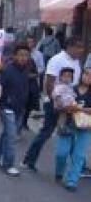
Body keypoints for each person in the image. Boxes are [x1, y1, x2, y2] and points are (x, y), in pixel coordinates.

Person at [23, 37, 83, 172]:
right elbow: (49, 82)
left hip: (70, 103)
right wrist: (55, 101)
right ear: (69, 46)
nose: (81, 50)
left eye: (82, 47)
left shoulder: (76, 61)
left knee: (73, 133)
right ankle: (29, 159)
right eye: (78, 47)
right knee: (46, 132)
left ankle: (79, 164)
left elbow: (75, 84)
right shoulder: (57, 59)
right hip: (55, 103)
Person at [0, 45, 31, 176]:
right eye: (21, 55)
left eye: (26, 55)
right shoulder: (7, 70)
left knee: (7, 133)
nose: (24, 58)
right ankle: (9, 164)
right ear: (14, 56)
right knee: (12, 136)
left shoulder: (26, 69)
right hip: (7, 107)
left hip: (20, 108)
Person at [55, 68, 91, 191]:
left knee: (79, 155)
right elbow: (60, 106)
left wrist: (81, 109)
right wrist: (67, 107)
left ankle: (72, 181)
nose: (88, 77)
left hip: (85, 126)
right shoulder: (70, 88)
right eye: (86, 74)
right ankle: (59, 171)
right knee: (61, 153)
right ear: (81, 75)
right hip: (68, 124)